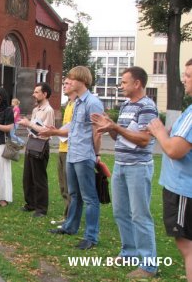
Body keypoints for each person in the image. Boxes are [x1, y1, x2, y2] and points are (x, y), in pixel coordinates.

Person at [91, 67, 158, 278]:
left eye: (124, 82)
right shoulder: (127, 105)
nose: (121, 86)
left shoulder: (147, 107)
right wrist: (108, 126)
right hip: (121, 165)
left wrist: (116, 128)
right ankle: (128, 252)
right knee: (120, 212)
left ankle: (149, 265)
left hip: (138, 168)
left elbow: (144, 139)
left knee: (140, 215)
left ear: (137, 83)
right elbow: (121, 135)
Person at [46, 66, 103, 250]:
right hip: (72, 153)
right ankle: (70, 227)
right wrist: (54, 131)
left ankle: (91, 236)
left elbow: (97, 131)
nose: (69, 82)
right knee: (74, 194)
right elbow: (73, 126)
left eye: (72, 79)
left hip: (84, 155)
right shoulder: (77, 102)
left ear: (83, 81)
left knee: (90, 198)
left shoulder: (92, 103)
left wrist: (97, 155)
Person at [147, 58, 192, 282]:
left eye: (190, 76)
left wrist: (159, 131)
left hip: (184, 189)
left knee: (187, 246)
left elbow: (175, 149)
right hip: (182, 187)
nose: (185, 80)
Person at [18, 82, 55, 217]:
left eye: (37, 92)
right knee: (27, 177)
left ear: (44, 94)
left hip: (41, 145)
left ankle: (41, 208)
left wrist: (29, 123)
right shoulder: (35, 110)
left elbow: (47, 130)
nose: (34, 95)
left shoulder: (48, 110)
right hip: (31, 143)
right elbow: (33, 127)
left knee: (39, 178)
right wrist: (29, 125)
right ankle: (30, 204)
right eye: (34, 92)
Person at [56, 78, 76, 222]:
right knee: (63, 184)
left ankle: (70, 217)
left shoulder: (77, 104)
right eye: (63, 83)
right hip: (62, 148)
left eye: (67, 84)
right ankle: (66, 215)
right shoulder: (68, 103)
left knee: (70, 186)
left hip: (71, 149)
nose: (64, 86)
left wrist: (54, 132)